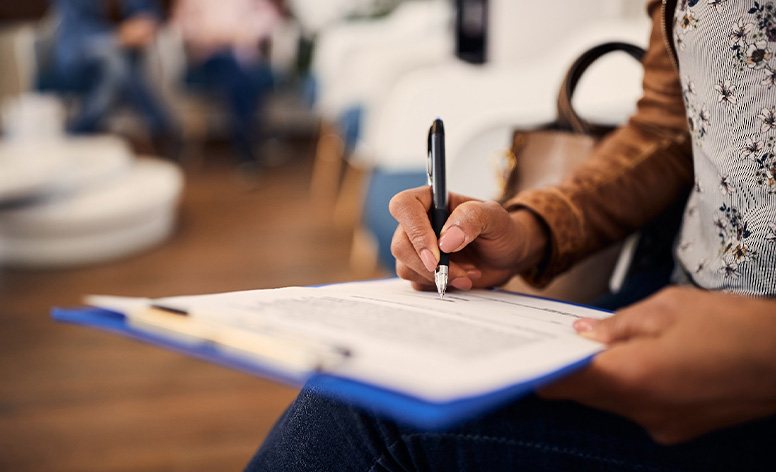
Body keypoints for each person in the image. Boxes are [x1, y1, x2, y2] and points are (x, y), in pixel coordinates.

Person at [247, 0, 776, 470]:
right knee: (376, 386)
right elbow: (668, 126)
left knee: (367, 419)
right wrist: (529, 229)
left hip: (740, 367)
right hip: (677, 302)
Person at [49, 0, 179, 151]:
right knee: (116, 63)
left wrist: (145, 23)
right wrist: (117, 36)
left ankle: (78, 132)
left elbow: (148, 13)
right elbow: (78, 31)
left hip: (123, 58)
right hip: (79, 54)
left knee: (117, 66)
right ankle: (162, 127)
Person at [172, 0, 282, 169]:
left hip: (244, 59)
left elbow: (270, 18)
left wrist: (246, 32)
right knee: (238, 74)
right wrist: (213, 35)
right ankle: (253, 143)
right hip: (208, 59)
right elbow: (181, 25)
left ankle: (246, 150)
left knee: (240, 77)